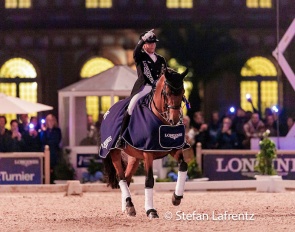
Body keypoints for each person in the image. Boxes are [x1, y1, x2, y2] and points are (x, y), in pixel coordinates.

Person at [115, 29, 167, 147]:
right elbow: (135, 52)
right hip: (144, 87)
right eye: (149, 43)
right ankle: (121, 137)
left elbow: (165, 74)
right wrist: (142, 39)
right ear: (144, 45)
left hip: (158, 89)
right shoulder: (140, 57)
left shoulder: (161, 59)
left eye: (153, 43)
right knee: (131, 107)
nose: (152, 45)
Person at [40, 114, 62, 183]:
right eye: (47, 120)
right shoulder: (44, 131)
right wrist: (43, 131)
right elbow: (42, 141)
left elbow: (56, 141)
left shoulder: (57, 130)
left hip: (53, 153)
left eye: (50, 120)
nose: (48, 122)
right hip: (45, 153)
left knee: (53, 170)